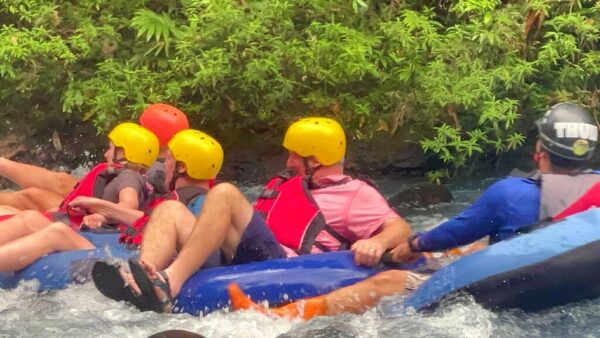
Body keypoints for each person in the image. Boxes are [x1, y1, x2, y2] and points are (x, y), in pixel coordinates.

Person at [228, 102, 600, 320]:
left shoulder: (509, 193)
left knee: (388, 282)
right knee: (475, 247)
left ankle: (283, 316)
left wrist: (415, 244)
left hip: (502, 282)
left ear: (539, 150)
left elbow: (453, 231)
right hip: (559, 276)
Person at [92, 117, 412, 313]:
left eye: (294, 154)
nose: (288, 161)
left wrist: (379, 242)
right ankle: (143, 279)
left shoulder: (354, 192)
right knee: (170, 209)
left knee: (226, 193)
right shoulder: (293, 184)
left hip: (286, 266)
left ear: (315, 159)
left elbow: (399, 227)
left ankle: (171, 283)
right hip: (248, 257)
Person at [0, 129, 221, 275]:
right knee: (30, 218)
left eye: (170, 159)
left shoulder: (196, 203)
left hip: (127, 262)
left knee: (57, 232)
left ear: (182, 167)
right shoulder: (176, 197)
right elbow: (144, 220)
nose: (165, 165)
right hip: (118, 246)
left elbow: (132, 207)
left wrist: (100, 207)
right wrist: (102, 212)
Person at [0, 122, 159, 261]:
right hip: (76, 226)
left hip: (82, 234)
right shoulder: (127, 176)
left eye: (110, 148)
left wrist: (101, 214)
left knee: (29, 219)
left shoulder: (129, 176)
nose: (106, 154)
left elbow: (129, 204)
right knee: (8, 210)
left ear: (123, 153)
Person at [0, 103, 188, 212]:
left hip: (104, 217)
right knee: (63, 180)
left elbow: (130, 202)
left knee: (35, 196)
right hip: (104, 204)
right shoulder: (167, 163)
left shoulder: (156, 170)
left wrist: (97, 208)